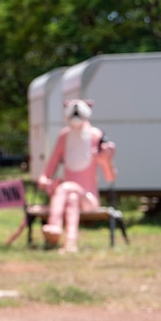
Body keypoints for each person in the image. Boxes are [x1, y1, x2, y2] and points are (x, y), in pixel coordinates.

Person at [37, 99, 117, 253]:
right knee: (71, 197)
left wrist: (106, 160)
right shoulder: (64, 136)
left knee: (67, 187)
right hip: (69, 198)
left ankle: (54, 226)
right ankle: (70, 244)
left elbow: (110, 178)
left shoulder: (95, 135)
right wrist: (45, 181)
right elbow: (49, 168)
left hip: (89, 198)